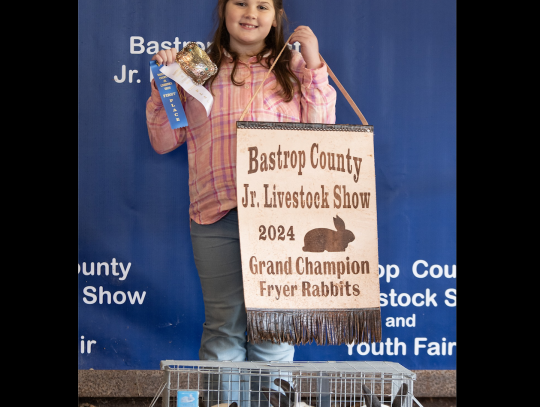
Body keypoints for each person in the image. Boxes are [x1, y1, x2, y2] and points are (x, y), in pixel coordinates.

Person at [146, 0, 336, 404]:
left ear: (276, 16)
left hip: (281, 218)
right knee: (223, 324)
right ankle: (223, 401)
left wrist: (316, 64)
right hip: (214, 213)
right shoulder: (198, 67)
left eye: (263, 5)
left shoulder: (295, 67)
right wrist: (164, 83)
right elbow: (164, 141)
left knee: (276, 324)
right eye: (241, 3)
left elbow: (322, 133)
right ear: (223, 10)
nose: (251, 12)